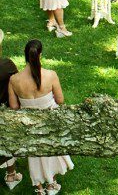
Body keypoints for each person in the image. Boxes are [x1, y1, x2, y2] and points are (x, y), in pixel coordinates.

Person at [8, 40, 74, 194]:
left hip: (29, 123)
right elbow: (60, 100)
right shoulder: (51, 75)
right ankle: (51, 185)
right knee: (51, 150)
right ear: (40, 55)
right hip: (50, 118)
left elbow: (14, 106)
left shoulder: (14, 80)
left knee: (35, 155)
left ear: (25, 56)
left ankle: (39, 188)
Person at [0, 29, 21, 191]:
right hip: (5, 111)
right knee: (8, 142)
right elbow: (18, 85)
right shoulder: (6, 65)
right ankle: (11, 175)